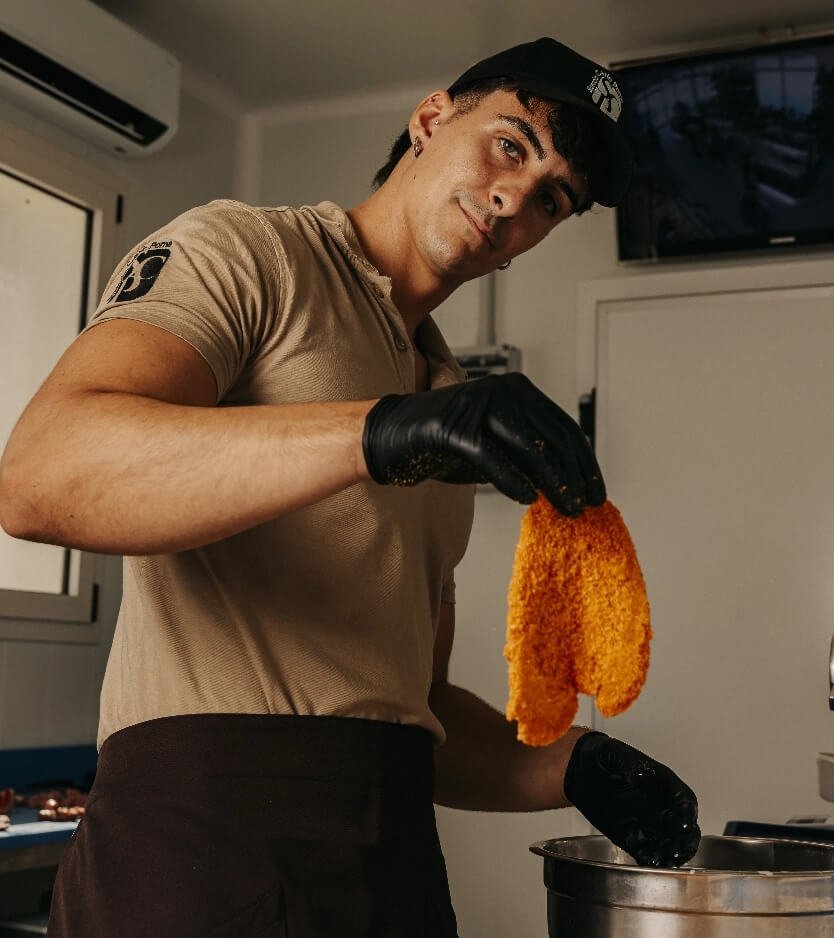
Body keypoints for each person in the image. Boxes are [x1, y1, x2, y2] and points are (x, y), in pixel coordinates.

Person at [0, 37, 700, 938]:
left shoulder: (450, 402)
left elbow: (409, 710)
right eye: (510, 145)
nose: (513, 199)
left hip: (389, 868)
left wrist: (574, 767)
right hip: (195, 857)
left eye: (551, 199)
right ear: (430, 118)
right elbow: (40, 474)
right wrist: (378, 432)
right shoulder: (250, 253)